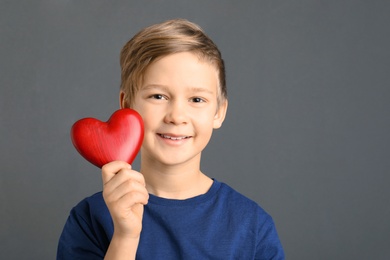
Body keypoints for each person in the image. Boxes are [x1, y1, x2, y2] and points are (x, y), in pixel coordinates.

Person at [57, 19, 285, 259]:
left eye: (197, 99)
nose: (176, 116)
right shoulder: (90, 219)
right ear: (126, 105)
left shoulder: (253, 225)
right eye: (158, 96)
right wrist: (125, 236)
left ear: (218, 112)